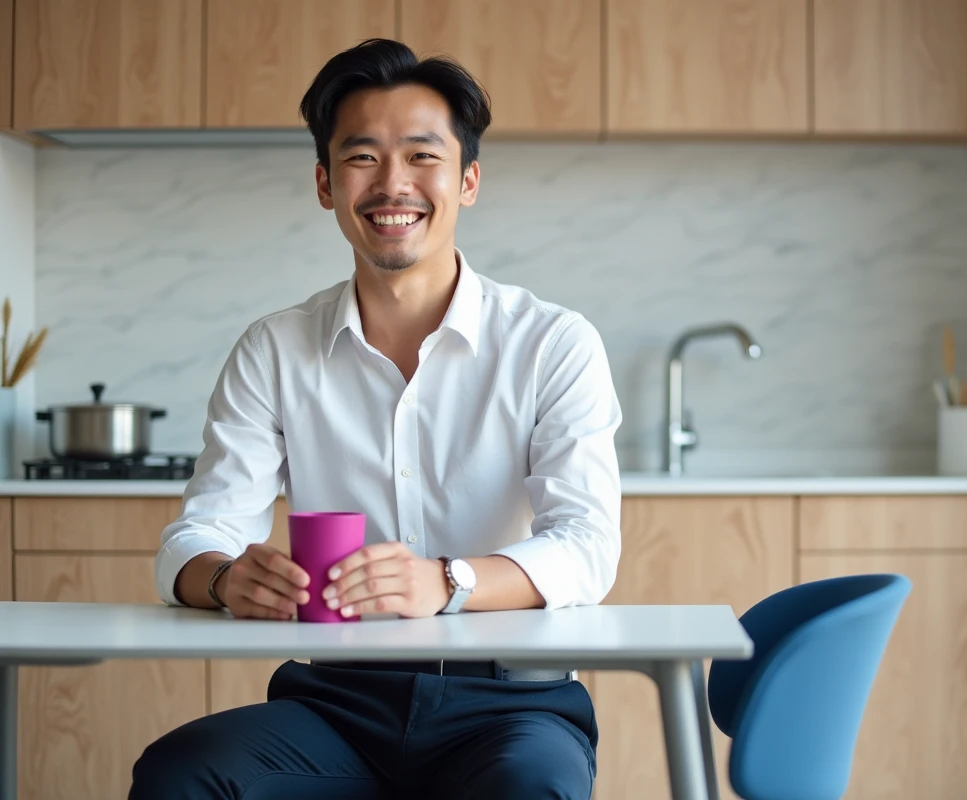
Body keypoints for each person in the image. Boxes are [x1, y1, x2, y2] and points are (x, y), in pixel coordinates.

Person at [129, 38, 622, 800]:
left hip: (513, 706)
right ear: (326, 184)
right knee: (181, 773)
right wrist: (227, 581)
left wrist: (446, 582)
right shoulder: (275, 349)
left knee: (531, 788)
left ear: (469, 180)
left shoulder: (553, 343)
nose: (393, 184)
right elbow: (194, 540)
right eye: (362, 158)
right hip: (337, 702)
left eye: (423, 156)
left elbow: (588, 548)